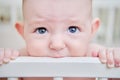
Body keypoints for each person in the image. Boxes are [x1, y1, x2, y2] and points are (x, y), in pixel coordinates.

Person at [0, 0, 120, 80]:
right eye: (41, 30)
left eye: (73, 29)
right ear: (23, 32)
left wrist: (114, 56)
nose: (57, 44)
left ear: (92, 30)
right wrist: (4, 59)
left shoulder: (95, 55)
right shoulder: (20, 58)